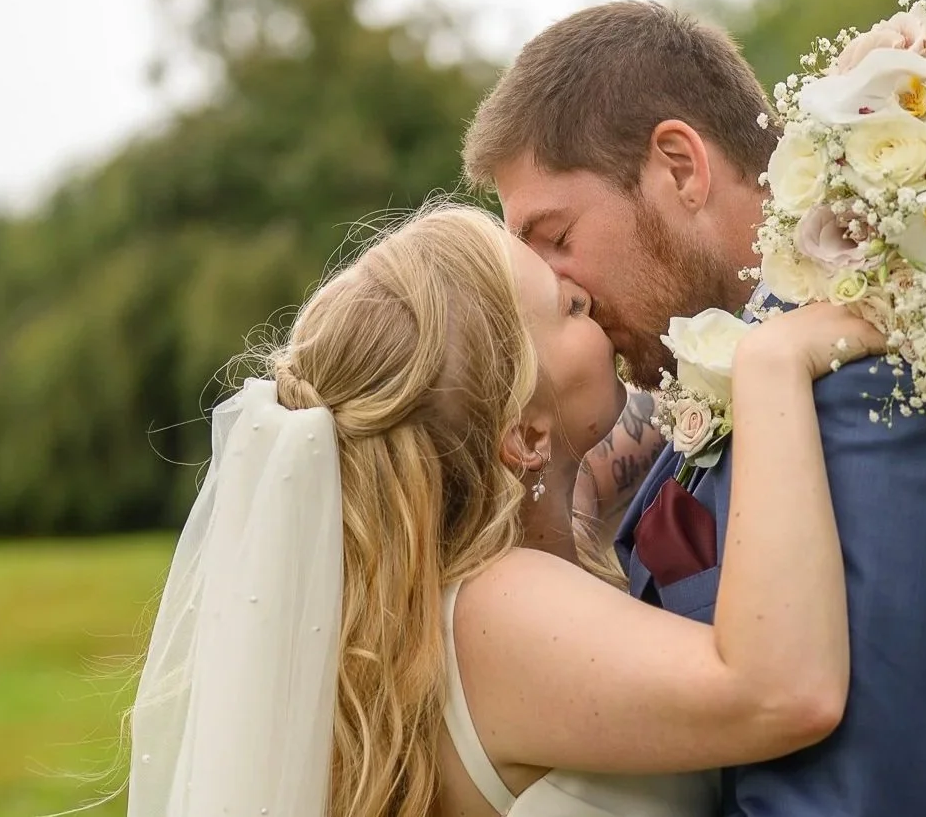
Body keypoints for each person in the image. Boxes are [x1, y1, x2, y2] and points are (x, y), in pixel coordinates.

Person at [464, 0, 926, 816]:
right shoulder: (742, 364)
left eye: (555, 235)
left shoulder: (873, 385)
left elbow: (853, 797)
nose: (557, 284)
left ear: (681, 166)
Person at [126, 204, 887, 817]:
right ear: (524, 434)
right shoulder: (496, 608)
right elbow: (784, 692)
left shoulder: (467, 582)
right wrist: (771, 362)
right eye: (571, 307)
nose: (592, 299)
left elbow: (663, 417)